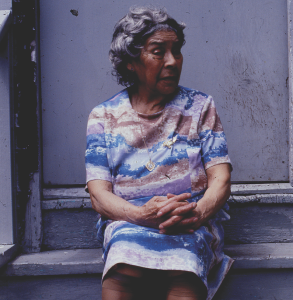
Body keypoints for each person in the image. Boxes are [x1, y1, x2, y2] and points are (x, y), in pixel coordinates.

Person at [86, 6, 233, 300]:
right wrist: (141, 215)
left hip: (188, 221)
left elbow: (221, 178)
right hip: (129, 222)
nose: (172, 61)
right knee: (123, 267)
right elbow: (98, 195)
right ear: (131, 61)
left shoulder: (200, 107)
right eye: (158, 52)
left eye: (176, 50)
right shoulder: (104, 116)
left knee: (185, 267)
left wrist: (198, 214)